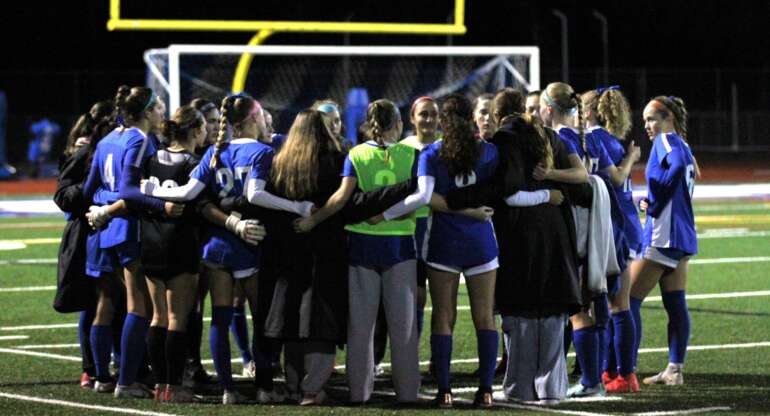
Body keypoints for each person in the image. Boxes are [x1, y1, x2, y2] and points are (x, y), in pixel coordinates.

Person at [142, 93, 313, 404]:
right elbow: (254, 193)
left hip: (217, 246)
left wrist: (155, 190)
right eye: (260, 116)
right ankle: (263, 386)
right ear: (249, 120)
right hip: (249, 242)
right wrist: (296, 206)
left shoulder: (215, 152)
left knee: (220, 319)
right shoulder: (262, 151)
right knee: (260, 318)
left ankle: (228, 390)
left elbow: (188, 192)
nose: (264, 121)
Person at [443, 88, 582, 404]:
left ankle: (520, 387)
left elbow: (506, 188)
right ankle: (552, 389)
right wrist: (550, 194)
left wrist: (459, 198)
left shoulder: (503, 139)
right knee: (550, 308)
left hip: (520, 234)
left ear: (496, 114)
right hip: (556, 232)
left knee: (519, 311)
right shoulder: (549, 136)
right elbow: (581, 176)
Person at [375, 94, 499, 407]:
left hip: (443, 241)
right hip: (481, 242)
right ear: (471, 119)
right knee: (485, 317)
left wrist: (385, 214)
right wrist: (472, 211)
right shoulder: (489, 151)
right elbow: (497, 190)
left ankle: (444, 390)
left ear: (443, 121)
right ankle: (485, 391)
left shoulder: (432, 153)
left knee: (442, 316)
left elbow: (425, 197)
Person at [295, 99, 421, 404]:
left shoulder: (356, 154)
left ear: (368, 123)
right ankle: (408, 393)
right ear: (399, 124)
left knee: (360, 328)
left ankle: (359, 393)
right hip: (400, 246)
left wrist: (311, 220)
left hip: (362, 246)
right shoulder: (412, 154)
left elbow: (340, 200)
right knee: (404, 329)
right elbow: (422, 197)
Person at [82, 85, 184, 399]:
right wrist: (160, 205)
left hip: (104, 229)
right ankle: (126, 381)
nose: (164, 113)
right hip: (129, 227)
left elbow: (90, 190)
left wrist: (103, 208)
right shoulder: (140, 140)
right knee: (137, 305)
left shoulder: (107, 139)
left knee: (106, 303)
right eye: (159, 107)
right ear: (145, 113)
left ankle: (102, 377)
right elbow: (129, 191)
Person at [631, 96, 697, 386]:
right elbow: (690, 170)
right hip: (681, 235)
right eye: (645, 119)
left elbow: (679, 166)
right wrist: (656, 198)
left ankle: (623, 368)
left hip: (663, 235)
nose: (646, 125)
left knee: (626, 301)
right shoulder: (684, 144)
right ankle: (674, 369)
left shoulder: (666, 140)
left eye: (651, 118)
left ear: (667, 118)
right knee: (675, 304)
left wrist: (655, 201)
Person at [582, 87, 643, 393]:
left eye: (583, 108)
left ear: (592, 112)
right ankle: (612, 370)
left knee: (618, 305)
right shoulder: (610, 139)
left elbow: (617, 179)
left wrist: (631, 158)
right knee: (614, 304)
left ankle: (626, 374)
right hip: (625, 224)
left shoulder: (593, 137)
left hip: (618, 227)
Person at [54, 101, 114, 390]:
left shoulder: (120, 145)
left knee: (116, 300)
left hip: (111, 230)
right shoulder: (85, 150)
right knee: (92, 302)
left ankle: (118, 364)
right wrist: (93, 195)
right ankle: (91, 368)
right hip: (86, 233)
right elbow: (64, 195)